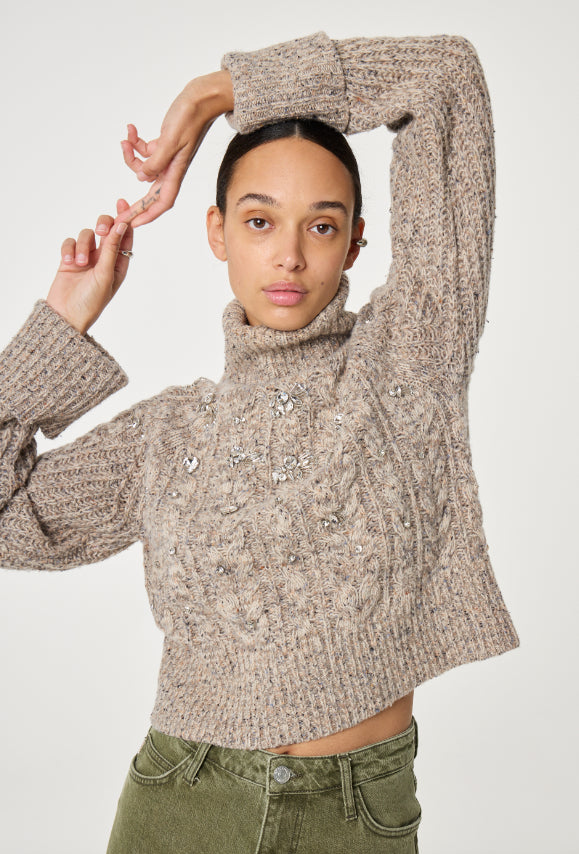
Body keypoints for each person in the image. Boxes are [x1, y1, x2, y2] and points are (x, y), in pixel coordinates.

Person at [0, 31, 520, 853]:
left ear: (355, 242)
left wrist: (217, 95)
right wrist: (62, 324)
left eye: (321, 226)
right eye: (258, 220)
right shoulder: (169, 434)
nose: (289, 255)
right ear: (218, 233)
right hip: (181, 801)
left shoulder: (410, 355)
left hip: (355, 814)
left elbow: (443, 77)